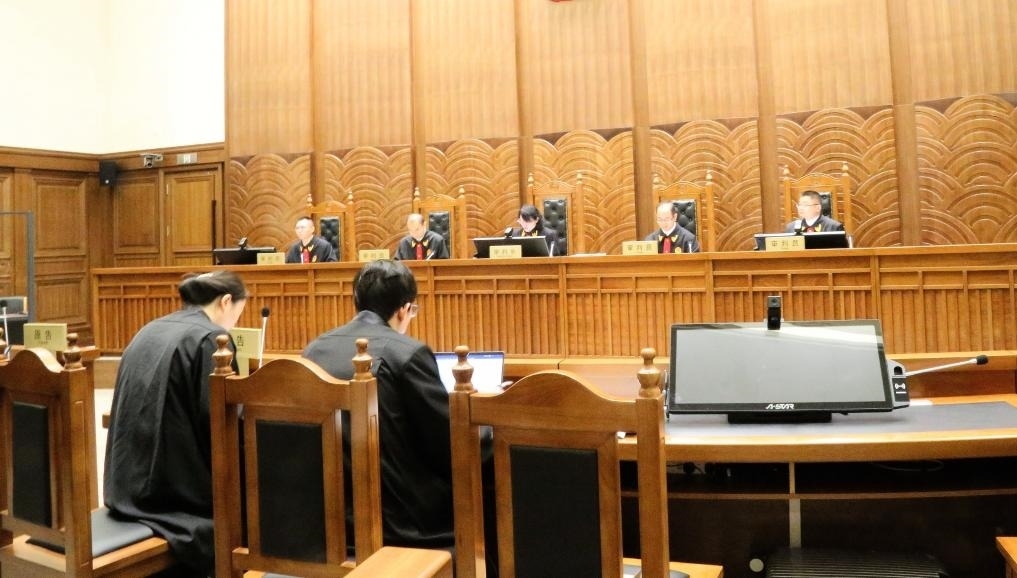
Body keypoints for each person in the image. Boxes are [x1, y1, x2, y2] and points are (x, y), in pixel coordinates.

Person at [302, 259, 457, 550]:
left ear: (357, 300)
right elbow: (449, 440)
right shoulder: (408, 353)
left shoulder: (314, 350)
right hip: (399, 525)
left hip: (325, 519)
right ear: (404, 309)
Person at [104, 270, 249, 577]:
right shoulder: (213, 340)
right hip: (172, 501)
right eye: (239, 312)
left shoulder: (149, 329)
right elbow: (221, 429)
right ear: (226, 302)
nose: (236, 323)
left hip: (123, 489)